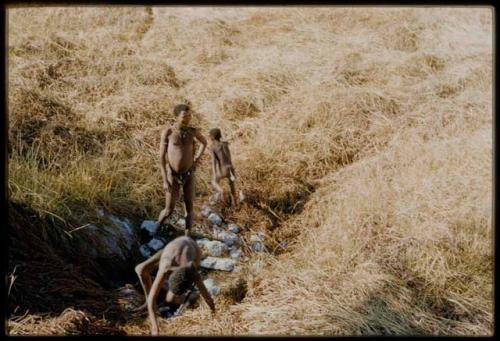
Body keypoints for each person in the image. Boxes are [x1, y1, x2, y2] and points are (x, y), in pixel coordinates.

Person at [134, 236, 216, 336]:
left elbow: (206, 295)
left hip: (193, 250)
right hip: (171, 250)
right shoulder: (165, 268)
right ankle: (149, 302)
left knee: (170, 299)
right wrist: (155, 329)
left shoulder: (192, 271)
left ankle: (193, 296)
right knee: (140, 269)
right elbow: (152, 299)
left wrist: (213, 312)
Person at [156, 104, 207, 235]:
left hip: (189, 173)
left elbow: (204, 142)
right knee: (168, 210)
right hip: (172, 175)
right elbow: (161, 157)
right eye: (185, 116)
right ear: (177, 116)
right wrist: (164, 180)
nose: (188, 118)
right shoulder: (168, 132)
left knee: (189, 208)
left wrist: (196, 159)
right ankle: (155, 230)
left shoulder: (192, 131)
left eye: (190, 116)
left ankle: (187, 237)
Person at [208, 128, 238, 207]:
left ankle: (221, 191)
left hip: (223, 169)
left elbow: (213, 161)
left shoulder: (213, 147)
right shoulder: (225, 144)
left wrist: (214, 173)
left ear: (212, 137)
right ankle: (235, 204)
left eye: (210, 136)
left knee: (213, 181)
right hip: (231, 168)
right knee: (232, 185)